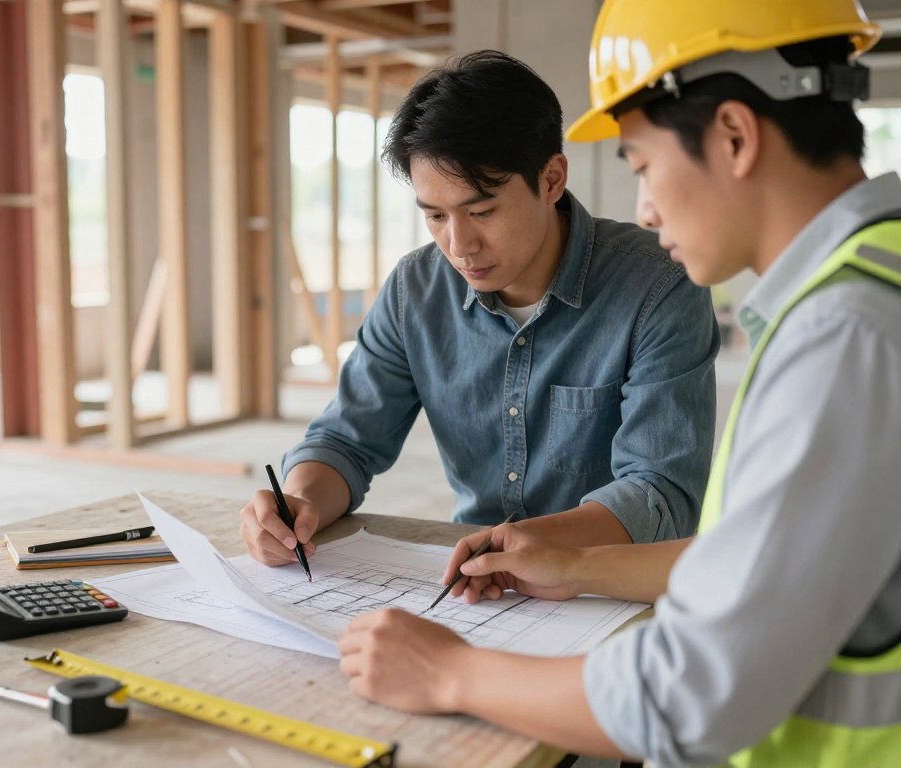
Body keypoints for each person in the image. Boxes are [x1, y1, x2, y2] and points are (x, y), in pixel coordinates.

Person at [338, 2, 901, 766]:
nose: (640, 204)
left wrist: (448, 671)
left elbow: (688, 696)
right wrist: (576, 564)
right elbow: (760, 560)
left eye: (639, 163)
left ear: (734, 135)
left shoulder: (844, 335)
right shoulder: (864, 288)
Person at [240, 50, 718, 568]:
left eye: (482, 211)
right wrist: (300, 501)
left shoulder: (658, 286)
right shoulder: (414, 289)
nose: (459, 244)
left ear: (552, 179)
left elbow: (660, 492)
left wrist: (528, 549)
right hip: (476, 580)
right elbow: (346, 440)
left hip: (612, 581)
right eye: (435, 216)